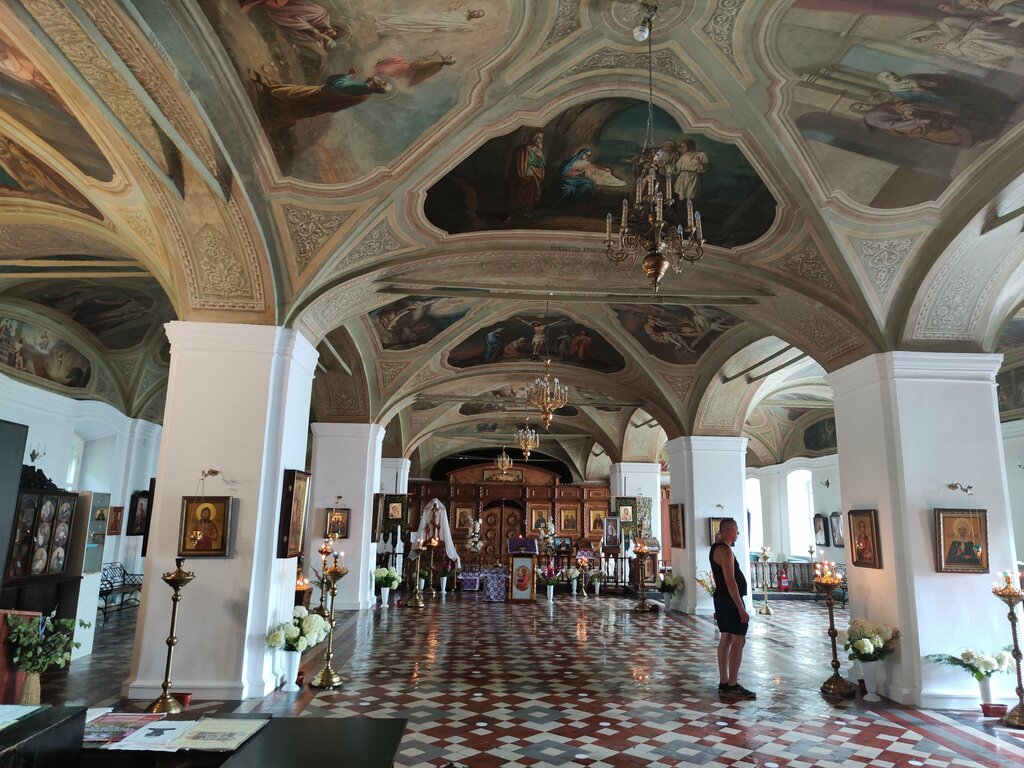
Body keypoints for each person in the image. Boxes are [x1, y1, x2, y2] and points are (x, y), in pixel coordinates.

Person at [710, 518, 754, 699]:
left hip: (721, 599)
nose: (738, 533)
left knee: (726, 638)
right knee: (738, 640)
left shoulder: (716, 547)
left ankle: (724, 681)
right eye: (736, 530)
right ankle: (732, 684)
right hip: (729, 600)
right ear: (729, 531)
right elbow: (730, 580)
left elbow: (720, 579)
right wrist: (740, 607)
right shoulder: (725, 551)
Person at [505, 131, 545, 221]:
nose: (538, 140)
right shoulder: (522, 149)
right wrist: (525, 171)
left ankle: (525, 212)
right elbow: (519, 163)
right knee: (517, 195)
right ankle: (511, 214)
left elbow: (540, 165)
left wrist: (540, 157)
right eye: (537, 137)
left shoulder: (538, 150)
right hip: (520, 175)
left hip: (532, 176)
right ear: (532, 137)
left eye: (540, 138)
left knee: (530, 194)